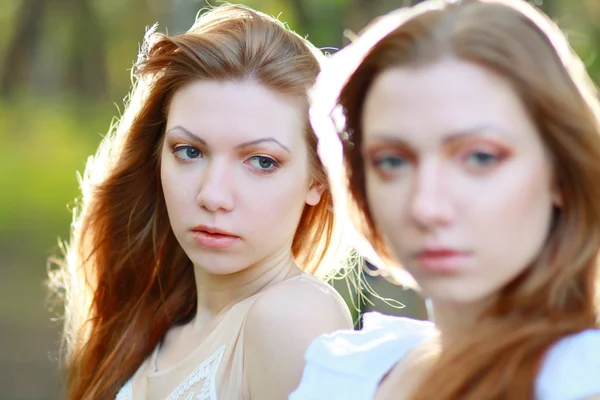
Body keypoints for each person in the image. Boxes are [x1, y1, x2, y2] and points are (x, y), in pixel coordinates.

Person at [292, 0, 600, 399]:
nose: (426, 206)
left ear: (562, 172)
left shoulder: (579, 379)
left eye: (480, 157)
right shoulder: (352, 366)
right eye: (392, 160)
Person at [48, 4, 354, 399]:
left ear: (318, 180)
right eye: (190, 151)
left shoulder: (293, 317)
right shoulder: (152, 328)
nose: (212, 195)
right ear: (157, 154)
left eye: (262, 161)